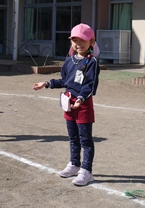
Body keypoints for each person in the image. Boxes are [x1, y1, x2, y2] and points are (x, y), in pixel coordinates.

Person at [33, 23, 100, 186]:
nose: (78, 44)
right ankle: (74, 164)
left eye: (82, 40)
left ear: (91, 42)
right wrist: (47, 83)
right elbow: (64, 81)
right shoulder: (69, 61)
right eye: (75, 40)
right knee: (73, 137)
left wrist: (81, 99)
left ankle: (86, 171)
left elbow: (90, 85)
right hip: (69, 104)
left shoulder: (92, 62)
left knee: (85, 140)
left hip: (82, 105)